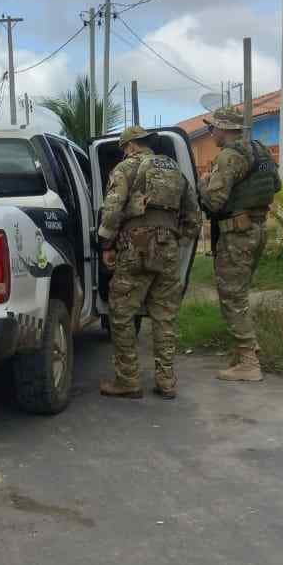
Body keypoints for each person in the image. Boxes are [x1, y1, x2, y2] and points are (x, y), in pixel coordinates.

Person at [98, 125, 203, 400]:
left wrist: (106, 244)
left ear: (131, 146)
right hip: (167, 248)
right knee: (164, 316)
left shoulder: (126, 168)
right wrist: (175, 241)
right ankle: (166, 381)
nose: (124, 153)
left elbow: (112, 209)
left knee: (120, 314)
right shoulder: (174, 170)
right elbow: (193, 216)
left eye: (124, 149)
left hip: (135, 248)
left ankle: (128, 380)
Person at [199, 107, 281, 383]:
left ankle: (248, 362)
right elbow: (276, 185)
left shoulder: (229, 156)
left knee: (232, 298)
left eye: (212, 129)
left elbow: (213, 202)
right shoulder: (261, 151)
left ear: (223, 128)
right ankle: (243, 352)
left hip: (237, 234)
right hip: (258, 229)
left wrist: (203, 185)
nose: (211, 134)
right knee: (240, 294)